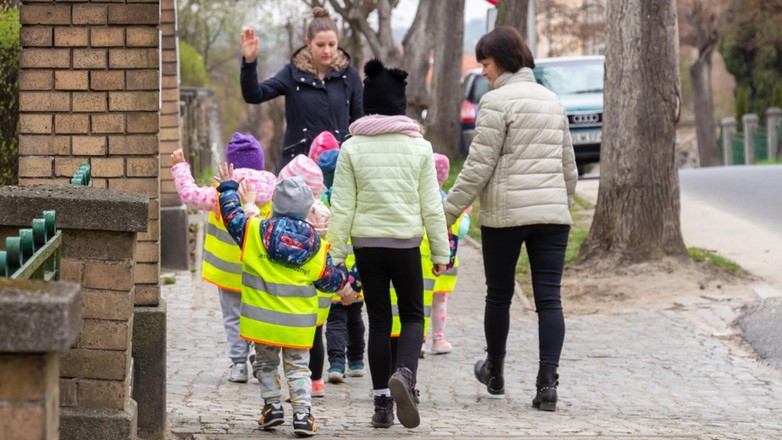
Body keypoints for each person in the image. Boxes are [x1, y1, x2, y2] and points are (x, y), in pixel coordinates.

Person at [443, 26, 578, 412]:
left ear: (501, 61)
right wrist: (559, 201)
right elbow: (569, 169)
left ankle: (495, 372)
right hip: (553, 217)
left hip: (505, 218)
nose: (482, 71)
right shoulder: (553, 101)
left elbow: (477, 167)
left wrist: (447, 213)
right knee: (549, 300)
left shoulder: (496, 102)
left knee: (499, 294)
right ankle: (547, 385)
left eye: (485, 63)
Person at [328, 58, 450, 429]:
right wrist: (441, 252)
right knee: (413, 316)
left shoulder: (352, 148)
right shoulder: (419, 149)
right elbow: (432, 204)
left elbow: (342, 205)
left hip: (367, 246)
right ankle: (406, 375)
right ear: (401, 104)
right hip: (406, 245)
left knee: (379, 320)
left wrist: (336, 254)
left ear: (368, 103)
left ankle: (382, 405)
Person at [217, 170, 359, 437]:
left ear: (276, 205)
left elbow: (232, 218)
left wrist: (227, 189)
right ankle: (303, 416)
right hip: (297, 325)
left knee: (265, 365)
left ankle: (271, 408)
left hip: (262, 322)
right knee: (297, 369)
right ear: (307, 209)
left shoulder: (255, 231)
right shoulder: (317, 245)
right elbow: (327, 280)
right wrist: (347, 284)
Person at [170, 132, 276, 383]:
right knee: (258, 315)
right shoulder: (271, 191)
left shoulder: (220, 193)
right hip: (259, 270)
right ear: (259, 162)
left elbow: (190, 195)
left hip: (228, 272)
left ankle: (239, 364)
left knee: (232, 317)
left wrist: (180, 167)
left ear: (230, 164)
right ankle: (260, 359)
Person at [240, 7, 363, 172]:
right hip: (297, 167)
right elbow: (254, 95)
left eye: (331, 44)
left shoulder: (351, 76)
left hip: (338, 166)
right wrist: (249, 62)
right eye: (320, 45)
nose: (327, 50)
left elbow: (360, 123)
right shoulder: (292, 73)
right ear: (308, 43)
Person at [318, 149, 367, 383]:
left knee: (335, 320)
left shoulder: (322, 203)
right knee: (356, 317)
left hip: (334, 272)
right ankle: (357, 360)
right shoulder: (359, 198)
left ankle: (337, 364)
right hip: (358, 271)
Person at [423, 153, 471, 356]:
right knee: (440, 301)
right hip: (449, 260)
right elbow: (461, 231)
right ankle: (439, 339)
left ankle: (419, 341)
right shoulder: (451, 203)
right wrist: (466, 215)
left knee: (421, 302)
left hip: (423, 258)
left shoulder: (422, 199)